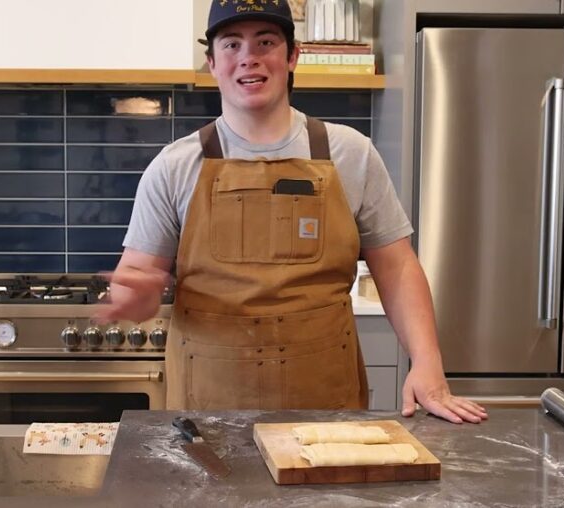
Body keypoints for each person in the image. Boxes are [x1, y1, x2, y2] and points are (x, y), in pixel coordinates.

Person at [96, 0, 486, 424]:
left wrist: (427, 363)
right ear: (212, 62)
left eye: (266, 41)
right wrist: (135, 297)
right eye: (231, 44)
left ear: (292, 55)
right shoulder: (173, 167)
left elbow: (397, 267)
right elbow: (135, 287)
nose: (249, 57)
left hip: (326, 406)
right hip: (208, 413)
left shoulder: (349, 152)